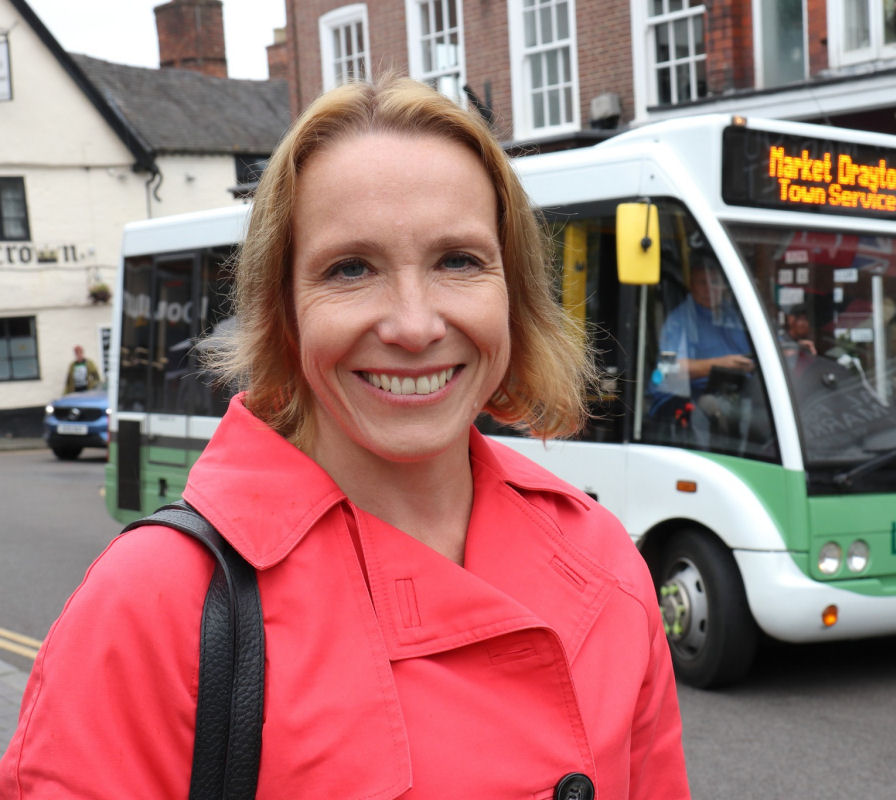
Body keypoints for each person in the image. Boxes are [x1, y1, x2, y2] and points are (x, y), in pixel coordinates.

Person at [1, 76, 690, 798]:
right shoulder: (153, 604)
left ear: (512, 293)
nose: (415, 324)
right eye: (350, 269)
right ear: (285, 313)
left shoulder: (604, 558)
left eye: (459, 260)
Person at [656, 256, 754, 443]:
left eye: (715, 282)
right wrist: (720, 365)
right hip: (696, 396)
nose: (710, 289)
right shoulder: (679, 320)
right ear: (691, 285)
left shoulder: (736, 314)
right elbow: (666, 371)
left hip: (744, 390)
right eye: (703, 282)